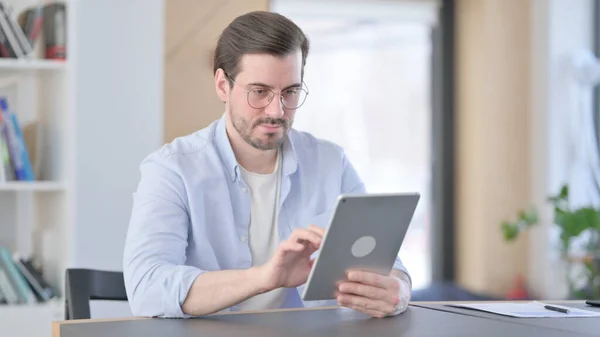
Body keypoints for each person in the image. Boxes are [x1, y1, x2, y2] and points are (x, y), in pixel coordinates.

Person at [123, 10, 412, 319]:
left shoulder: (331, 163)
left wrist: (398, 292)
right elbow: (147, 289)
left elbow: (390, 266)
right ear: (223, 85)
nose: (277, 110)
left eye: (290, 92)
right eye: (259, 92)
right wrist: (264, 277)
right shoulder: (171, 170)